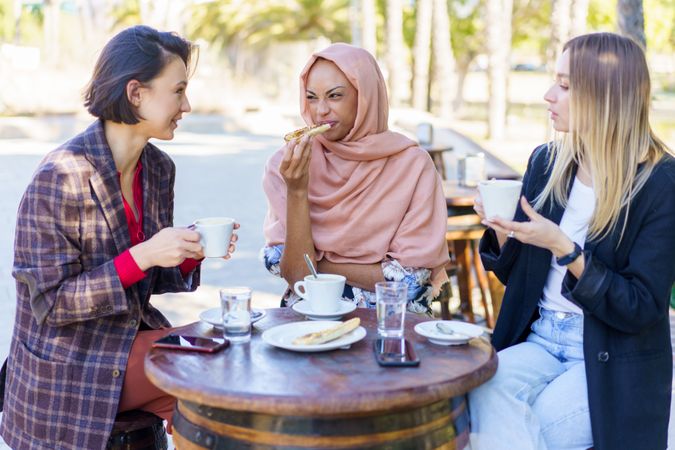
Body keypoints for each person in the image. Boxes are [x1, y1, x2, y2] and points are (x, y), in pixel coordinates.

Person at [0, 25, 237, 450]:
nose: (187, 104)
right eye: (178, 90)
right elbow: (50, 304)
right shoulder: (60, 177)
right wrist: (143, 256)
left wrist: (185, 254)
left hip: (128, 342)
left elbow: (147, 281)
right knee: (212, 373)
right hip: (69, 361)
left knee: (227, 360)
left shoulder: (159, 170)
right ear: (136, 93)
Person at [468, 32, 675, 450]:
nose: (548, 95)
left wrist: (566, 249)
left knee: (529, 429)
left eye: (564, 86)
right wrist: (503, 230)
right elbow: (518, 277)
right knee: (478, 392)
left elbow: (641, 307)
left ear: (604, 96)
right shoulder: (547, 163)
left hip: (611, 354)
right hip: (541, 338)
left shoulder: (660, 182)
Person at [262, 43, 449, 314]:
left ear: (365, 97)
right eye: (312, 97)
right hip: (310, 320)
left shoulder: (412, 165)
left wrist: (318, 265)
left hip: (393, 322)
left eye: (334, 96)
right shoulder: (286, 165)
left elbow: (410, 283)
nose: (320, 111)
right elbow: (295, 276)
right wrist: (297, 191)